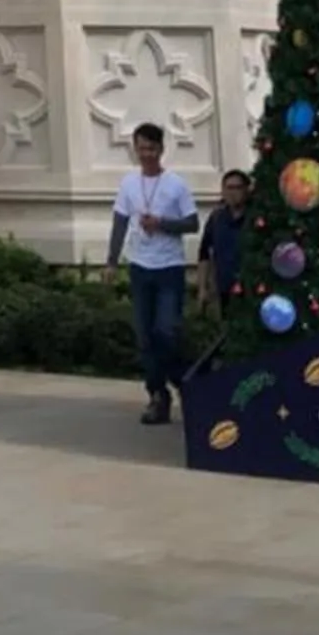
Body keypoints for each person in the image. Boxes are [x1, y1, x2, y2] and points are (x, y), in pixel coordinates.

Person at [105, 120, 198, 424]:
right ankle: (157, 394)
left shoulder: (175, 185)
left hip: (169, 266)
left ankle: (186, 379)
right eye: (141, 148)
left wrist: (162, 224)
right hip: (140, 266)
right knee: (145, 336)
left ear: (160, 150)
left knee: (166, 331)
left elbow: (192, 223)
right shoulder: (128, 184)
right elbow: (119, 222)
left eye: (151, 148)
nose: (146, 154)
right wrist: (111, 262)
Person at [198, 168, 251, 314]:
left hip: (253, 287)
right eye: (229, 188)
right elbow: (204, 253)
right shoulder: (216, 218)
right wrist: (203, 288)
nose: (233, 192)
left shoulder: (256, 219)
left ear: (246, 190)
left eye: (237, 188)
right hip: (224, 287)